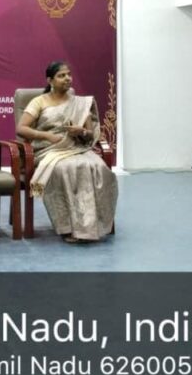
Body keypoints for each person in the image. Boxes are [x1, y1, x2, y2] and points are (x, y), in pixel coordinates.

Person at [16, 61, 118, 243]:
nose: (67, 78)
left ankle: (95, 225)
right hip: (47, 150)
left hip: (76, 148)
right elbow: (21, 129)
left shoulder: (80, 103)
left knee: (98, 167)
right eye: (61, 75)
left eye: (69, 74)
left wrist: (81, 131)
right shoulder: (39, 101)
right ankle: (68, 228)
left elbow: (89, 135)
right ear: (50, 80)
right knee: (66, 169)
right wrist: (46, 136)